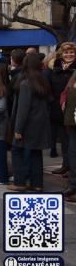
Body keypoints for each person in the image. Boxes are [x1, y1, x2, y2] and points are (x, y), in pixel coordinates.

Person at [8, 54, 52, 192]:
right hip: (40, 123)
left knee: (17, 151)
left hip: (27, 124)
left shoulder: (25, 83)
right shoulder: (42, 81)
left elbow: (23, 109)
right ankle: (37, 183)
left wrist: (18, 129)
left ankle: (20, 182)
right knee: (35, 153)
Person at [46, 42, 76, 162]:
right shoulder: (54, 69)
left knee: (72, 141)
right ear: (61, 54)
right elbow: (48, 89)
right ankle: (66, 165)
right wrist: (53, 102)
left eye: (71, 52)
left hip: (73, 110)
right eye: (66, 52)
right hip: (58, 109)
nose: (69, 54)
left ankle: (71, 168)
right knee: (64, 140)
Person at [61, 70, 76, 202]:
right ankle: (72, 185)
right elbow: (66, 93)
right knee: (73, 154)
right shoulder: (74, 75)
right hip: (72, 121)